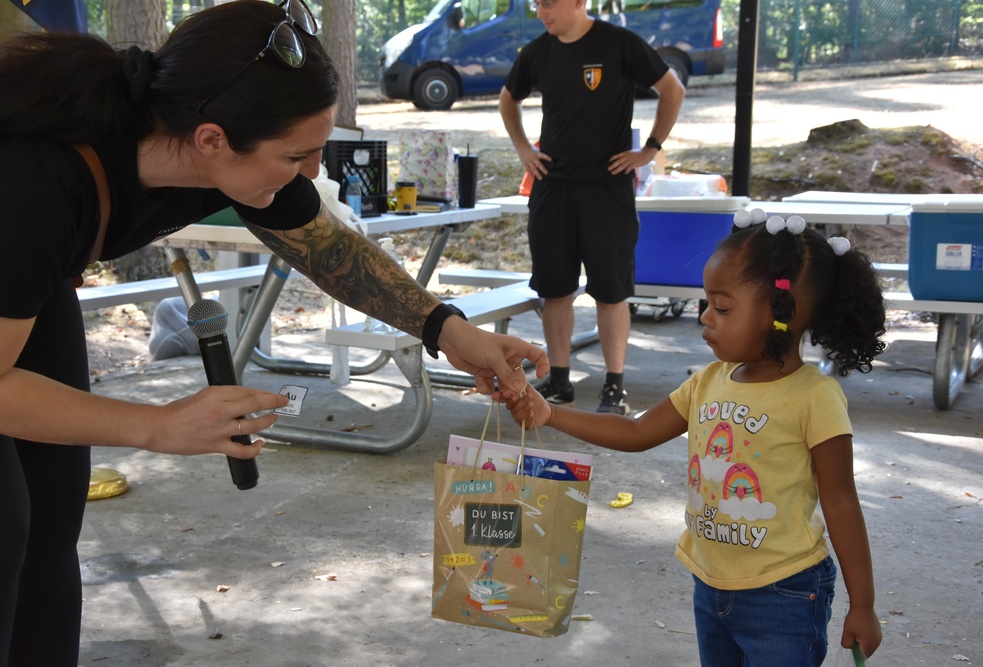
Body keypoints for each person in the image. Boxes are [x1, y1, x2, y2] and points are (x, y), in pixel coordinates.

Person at [0, 2, 546, 665]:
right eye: (298, 155)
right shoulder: (38, 180)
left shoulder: (211, 144)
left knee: (51, 516)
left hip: (33, 276)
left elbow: (325, 247)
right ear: (211, 140)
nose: (311, 172)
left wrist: (449, 328)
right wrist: (156, 425)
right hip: (21, 247)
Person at [505, 210, 886, 665]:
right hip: (710, 584)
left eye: (722, 308)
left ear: (783, 314)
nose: (705, 317)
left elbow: (841, 501)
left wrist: (862, 605)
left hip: (784, 593)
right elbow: (637, 430)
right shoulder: (708, 381)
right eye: (707, 303)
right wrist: (549, 413)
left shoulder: (815, 397)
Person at [499, 0, 685, 415]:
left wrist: (650, 149)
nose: (541, 12)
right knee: (554, 289)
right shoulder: (537, 52)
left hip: (607, 189)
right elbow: (508, 99)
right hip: (552, 188)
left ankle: (614, 387)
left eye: (549, 3)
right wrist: (524, 149)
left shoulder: (619, 44)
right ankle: (559, 381)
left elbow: (673, 89)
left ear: (579, 1)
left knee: (611, 291)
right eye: (536, 4)